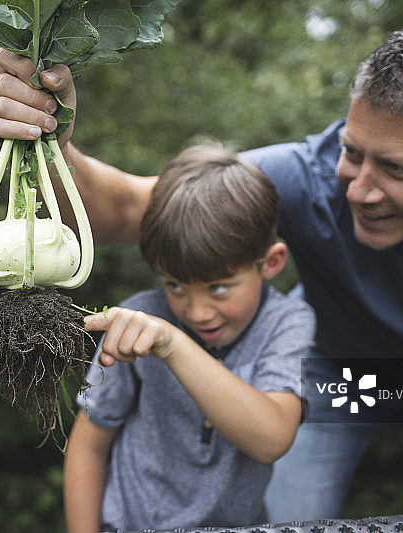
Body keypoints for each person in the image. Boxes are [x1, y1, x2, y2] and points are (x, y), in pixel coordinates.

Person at [0, 20, 403, 524]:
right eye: (353, 153)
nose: (358, 187)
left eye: (397, 169)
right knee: (287, 526)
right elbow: (131, 209)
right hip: (330, 376)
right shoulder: (304, 175)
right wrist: (49, 139)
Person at [63, 142, 315, 532]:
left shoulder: (286, 323)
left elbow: (271, 439)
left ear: (271, 263)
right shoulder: (137, 322)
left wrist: (174, 345)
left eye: (218, 288)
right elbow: (89, 443)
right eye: (175, 285)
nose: (196, 313)